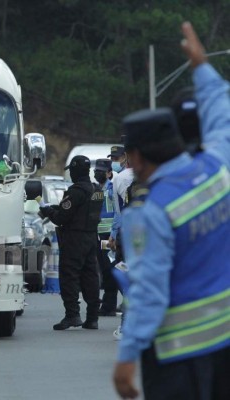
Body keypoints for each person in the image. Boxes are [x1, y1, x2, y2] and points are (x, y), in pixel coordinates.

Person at [113, 22, 230, 400]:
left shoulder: (148, 210)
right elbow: (222, 116)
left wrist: (127, 355)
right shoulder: (217, 169)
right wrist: (202, 68)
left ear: (136, 157)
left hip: (178, 357)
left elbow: (149, 291)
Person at [39, 155, 103, 330]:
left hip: (74, 239)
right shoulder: (97, 189)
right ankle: (92, 318)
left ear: (75, 171)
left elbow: (62, 218)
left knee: (70, 276)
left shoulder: (75, 192)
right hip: (91, 237)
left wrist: (48, 212)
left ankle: (72, 315)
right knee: (90, 276)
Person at [93, 158, 119, 317]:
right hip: (98, 234)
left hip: (109, 235)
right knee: (103, 268)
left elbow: (117, 212)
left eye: (101, 172)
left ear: (109, 173)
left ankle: (109, 305)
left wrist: (114, 234)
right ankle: (107, 302)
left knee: (110, 269)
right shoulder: (96, 188)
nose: (97, 174)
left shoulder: (113, 188)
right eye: (96, 171)